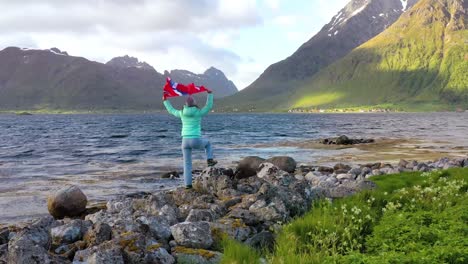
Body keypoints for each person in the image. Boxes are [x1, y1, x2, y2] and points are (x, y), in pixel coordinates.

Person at [163, 91, 217, 189]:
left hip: (185, 141)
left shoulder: (181, 113)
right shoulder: (198, 112)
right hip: (195, 139)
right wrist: (209, 94)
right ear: (194, 104)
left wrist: (165, 101)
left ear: (185, 104)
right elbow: (208, 106)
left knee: (187, 164)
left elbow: (171, 110)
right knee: (208, 144)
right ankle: (209, 160)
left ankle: (188, 185)